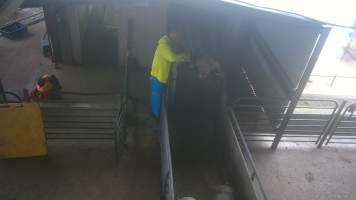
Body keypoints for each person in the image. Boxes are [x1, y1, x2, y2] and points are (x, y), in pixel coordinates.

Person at [150, 30, 188, 118]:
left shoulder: (168, 44)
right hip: (157, 77)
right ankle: (156, 121)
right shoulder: (163, 45)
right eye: (177, 35)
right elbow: (171, 57)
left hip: (162, 77)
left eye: (179, 36)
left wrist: (183, 58)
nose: (177, 38)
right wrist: (183, 55)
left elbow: (172, 57)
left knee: (160, 100)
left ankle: (158, 119)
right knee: (157, 101)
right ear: (171, 33)